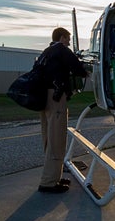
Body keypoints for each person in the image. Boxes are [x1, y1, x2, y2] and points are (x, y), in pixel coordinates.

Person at [37, 27, 88, 194]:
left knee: (48, 139)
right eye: (68, 38)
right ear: (62, 37)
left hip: (44, 98)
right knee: (57, 139)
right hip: (56, 98)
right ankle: (49, 182)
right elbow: (79, 70)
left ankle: (52, 177)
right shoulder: (61, 50)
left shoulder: (47, 51)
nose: (69, 41)